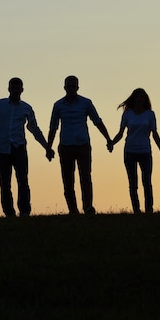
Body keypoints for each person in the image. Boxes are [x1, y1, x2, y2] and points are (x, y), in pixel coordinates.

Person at [0, 77, 55, 217]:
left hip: (19, 148)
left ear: (22, 90)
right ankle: (9, 212)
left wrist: (47, 147)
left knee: (23, 180)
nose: (15, 90)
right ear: (8, 89)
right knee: (4, 183)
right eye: (12, 88)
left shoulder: (26, 108)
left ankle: (24, 211)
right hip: (2, 149)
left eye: (17, 88)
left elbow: (34, 129)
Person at [47, 75, 112, 215]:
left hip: (83, 144)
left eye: (73, 86)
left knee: (86, 177)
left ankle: (88, 207)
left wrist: (108, 138)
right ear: (64, 88)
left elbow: (97, 121)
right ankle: (73, 209)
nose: (71, 89)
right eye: (68, 86)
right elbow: (53, 127)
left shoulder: (86, 103)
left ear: (77, 87)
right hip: (66, 145)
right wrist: (49, 147)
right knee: (68, 180)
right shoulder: (58, 105)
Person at [108, 88, 160, 214]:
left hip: (145, 151)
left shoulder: (150, 114)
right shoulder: (127, 114)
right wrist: (112, 142)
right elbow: (121, 133)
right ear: (133, 99)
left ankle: (149, 209)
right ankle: (136, 209)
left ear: (145, 99)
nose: (140, 99)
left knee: (147, 181)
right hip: (130, 151)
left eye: (142, 96)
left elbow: (154, 133)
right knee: (133, 182)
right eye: (137, 96)